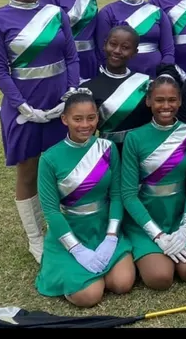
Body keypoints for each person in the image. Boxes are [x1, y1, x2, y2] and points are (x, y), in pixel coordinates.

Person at [0, 0, 80, 263]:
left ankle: (65, 228)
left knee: (62, 166)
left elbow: (71, 57)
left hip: (59, 101)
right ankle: (35, 238)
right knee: (28, 170)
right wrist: (22, 106)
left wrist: (70, 93)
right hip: (23, 105)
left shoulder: (56, 13)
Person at [35, 91, 135, 307]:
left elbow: (116, 195)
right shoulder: (49, 158)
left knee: (123, 283)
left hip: (103, 228)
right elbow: (51, 211)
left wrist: (111, 237)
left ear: (97, 118)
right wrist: (76, 249)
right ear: (65, 120)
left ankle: (104, 264)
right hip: (71, 229)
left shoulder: (107, 148)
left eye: (91, 118)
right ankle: (74, 268)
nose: (85, 125)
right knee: (89, 296)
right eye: (77, 119)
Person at [121, 75, 186, 289]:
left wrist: (185, 225)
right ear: (148, 101)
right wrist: (156, 235)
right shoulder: (134, 138)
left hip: (178, 215)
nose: (166, 106)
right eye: (159, 100)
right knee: (160, 278)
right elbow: (128, 195)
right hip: (147, 218)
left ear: (180, 101)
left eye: (172, 100)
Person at [95, 0, 175, 78]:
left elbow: (168, 51)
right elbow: (102, 52)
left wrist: (165, 75)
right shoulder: (107, 12)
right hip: (120, 78)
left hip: (154, 76)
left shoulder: (158, 13)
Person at [82, 25, 152, 152]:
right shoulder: (88, 88)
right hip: (106, 152)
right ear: (104, 45)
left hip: (141, 151)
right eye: (113, 44)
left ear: (134, 52)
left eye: (125, 47)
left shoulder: (146, 84)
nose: (117, 51)